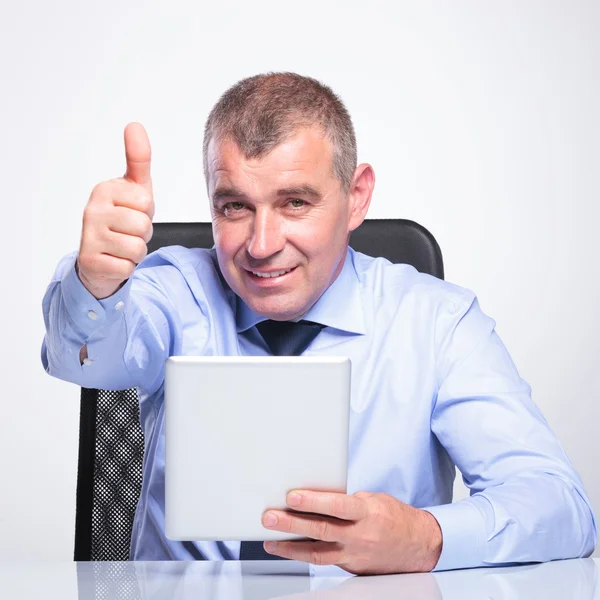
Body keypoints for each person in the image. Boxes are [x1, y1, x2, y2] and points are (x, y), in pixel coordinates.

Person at [41, 72, 597, 574]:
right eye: (234, 206)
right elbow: (85, 356)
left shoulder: (438, 323)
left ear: (356, 198)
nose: (261, 246)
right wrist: (96, 283)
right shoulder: (174, 290)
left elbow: (561, 508)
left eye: (295, 203)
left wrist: (428, 538)